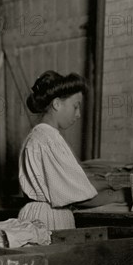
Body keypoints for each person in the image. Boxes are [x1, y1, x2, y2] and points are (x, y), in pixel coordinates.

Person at [18, 71, 103, 230]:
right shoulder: (47, 140)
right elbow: (78, 195)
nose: (78, 114)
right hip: (48, 219)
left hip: (42, 214)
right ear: (57, 104)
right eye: (75, 107)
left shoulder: (41, 136)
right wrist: (119, 195)